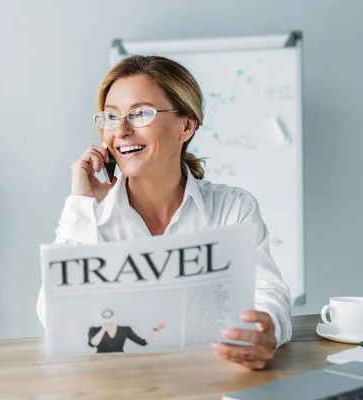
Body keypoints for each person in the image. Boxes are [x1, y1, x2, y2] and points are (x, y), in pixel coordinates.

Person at [36, 55, 292, 370]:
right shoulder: (91, 216)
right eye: (111, 117)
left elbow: (268, 293)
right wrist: (79, 204)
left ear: (186, 125)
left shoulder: (233, 209)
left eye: (140, 114)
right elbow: (55, 316)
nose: (122, 130)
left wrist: (266, 332)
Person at [88, 309, 166, 353]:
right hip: (101, 360)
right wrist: (103, 329)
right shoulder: (94, 329)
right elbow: (92, 344)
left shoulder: (125, 329)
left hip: (120, 359)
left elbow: (143, 342)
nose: (109, 322)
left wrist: (156, 329)